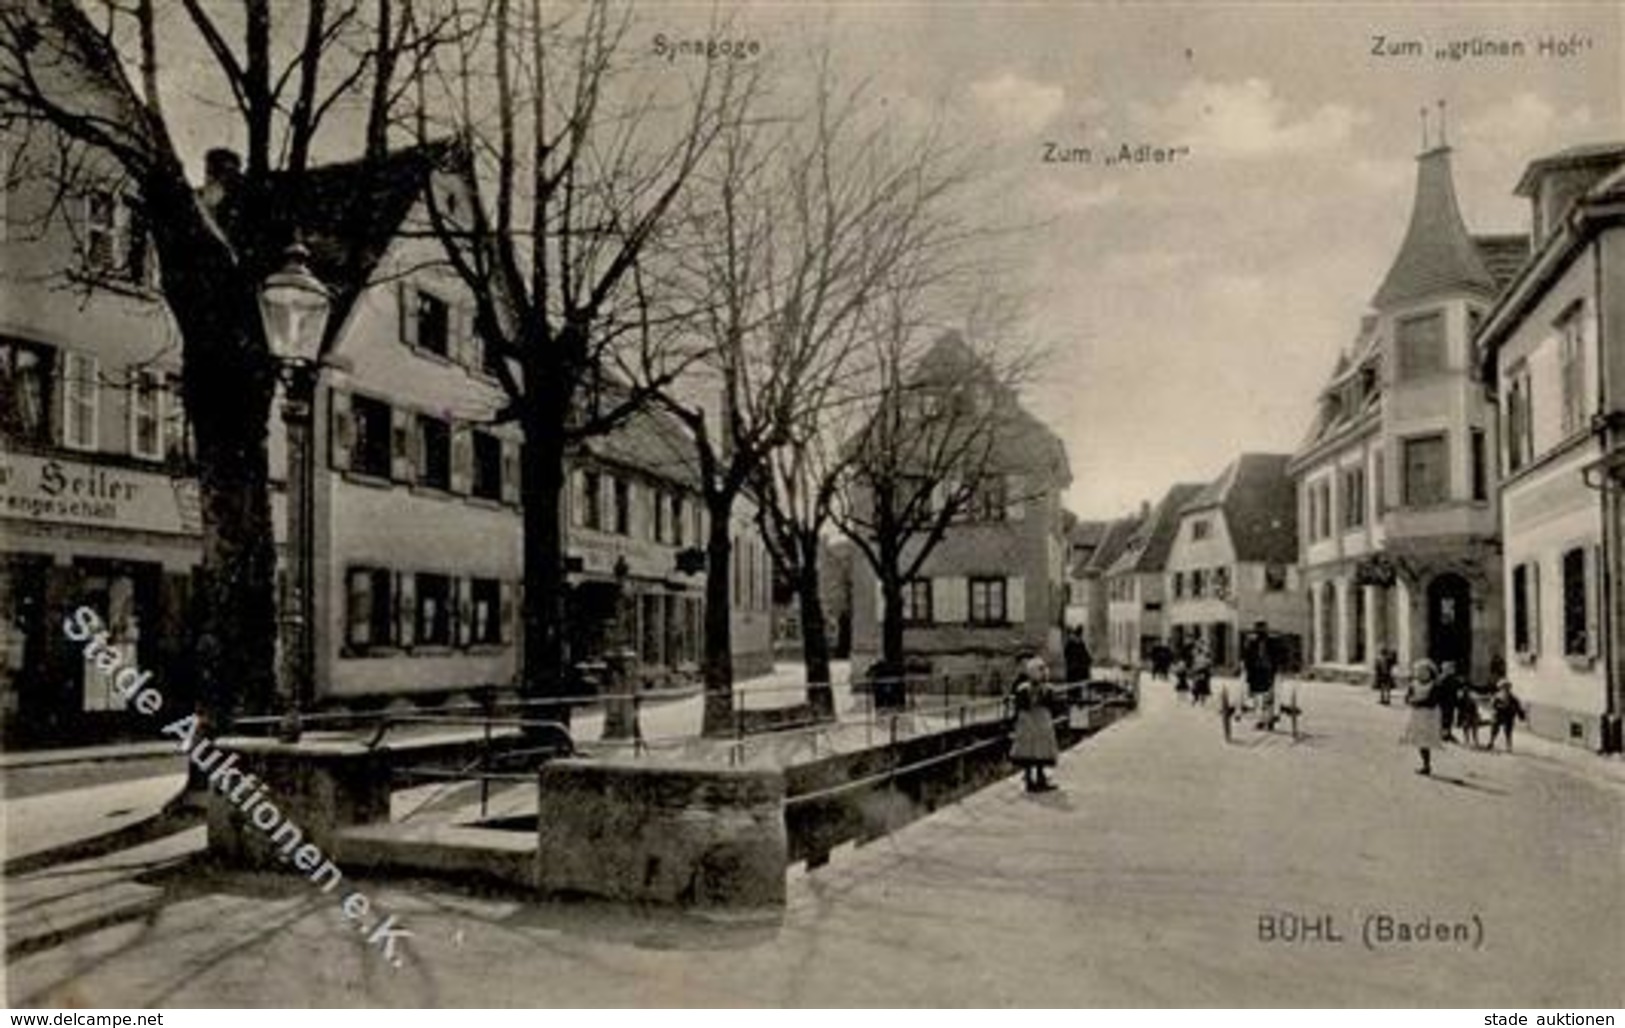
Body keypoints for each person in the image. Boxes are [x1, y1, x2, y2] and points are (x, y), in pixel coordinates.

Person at [1010, 656, 1060, 792]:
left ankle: (1030, 779)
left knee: (1028, 750)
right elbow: (1052, 705)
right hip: (1040, 721)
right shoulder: (1046, 689)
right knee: (1040, 750)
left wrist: (1014, 723)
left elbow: (1019, 707)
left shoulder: (1023, 688)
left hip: (1027, 722)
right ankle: (1039, 778)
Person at [1400, 659, 1444, 775]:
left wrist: (1415, 702)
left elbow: (1432, 702)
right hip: (1417, 715)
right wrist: (1409, 700)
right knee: (1419, 740)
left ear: (1430, 672)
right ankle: (1425, 764)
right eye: (1419, 671)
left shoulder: (1434, 685)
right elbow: (1407, 697)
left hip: (1430, 716)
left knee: (1425, 740)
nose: (1421, 674)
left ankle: (1426, 765)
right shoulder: (1414, 684)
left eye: (1424, 671)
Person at [1242, 622, 1276, 728]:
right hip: (1255, 671)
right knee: (1257, 696)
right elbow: (1246, 656)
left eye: (1263, 629)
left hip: (1268, 670)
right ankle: (1261, 719)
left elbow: (1278, 655)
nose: (1261, 631)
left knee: (1269, 695)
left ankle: (1269, 719)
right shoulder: (1251, 641)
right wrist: (1246, 669)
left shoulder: (1272, 641)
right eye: (1259, 629)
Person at [1488, 678, 1527, 752]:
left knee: (1508, 731)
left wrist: (1521, 715)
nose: (1506, 689)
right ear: (1500, 688)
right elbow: (1492, 705)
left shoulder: (1513, 698)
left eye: (1507, 687)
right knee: (1494, 729)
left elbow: (1518, 707)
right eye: (1504, 687)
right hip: (1499, 715)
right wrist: (1498, 707)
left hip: (1508, 716)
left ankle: (1508, 746)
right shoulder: (1497, 696)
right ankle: (1491, 742)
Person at [1436, 661, 1462, 742]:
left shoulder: (1453, 679)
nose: (1453, 670)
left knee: (1449, 717)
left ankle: (1447, 734)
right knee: (1444, 718)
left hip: (1451, 701)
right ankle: (1443, 735)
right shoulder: (1440, 679)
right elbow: (1437, 691)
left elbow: (1458, 688)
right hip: (1443, 702)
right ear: (1445, 669)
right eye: (1451, 668)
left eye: (1453, 668)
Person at [1456, 681, 1483, 748]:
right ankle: (1467, 741)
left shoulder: (1472, 695)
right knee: (1466, 728)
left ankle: (1474, 741)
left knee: (1473, 728)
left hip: (1471, 713)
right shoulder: (1461, 696)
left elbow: (1476, 704)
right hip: (1466, 713)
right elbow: (1459, 705)